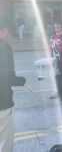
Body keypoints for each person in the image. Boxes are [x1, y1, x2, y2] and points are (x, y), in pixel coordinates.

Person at [0, 19, 26, 152]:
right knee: (4, 141)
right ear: (4, 30)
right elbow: (8, 77)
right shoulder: (4, 47)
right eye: (10, 33)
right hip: (2, 102)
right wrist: (20, 80)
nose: (10, 37)